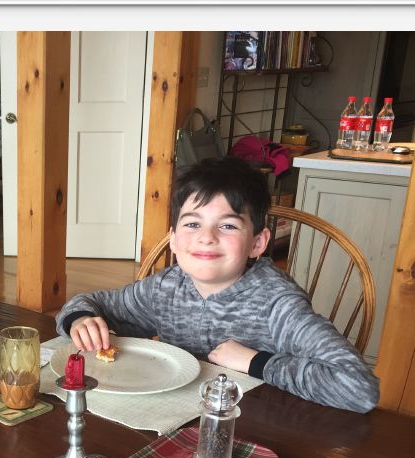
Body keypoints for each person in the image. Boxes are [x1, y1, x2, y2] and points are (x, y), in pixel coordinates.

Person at [56, 156, 379, 413]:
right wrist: (81, 319)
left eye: (227, 225)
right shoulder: (167, 287)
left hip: (255, 429)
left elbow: (358, 389)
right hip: (172, 417)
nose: (206, 237)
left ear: (257, 242)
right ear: (173, 239)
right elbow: (88, 303)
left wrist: (256, 362)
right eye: (193, 223)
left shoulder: (277, 304)